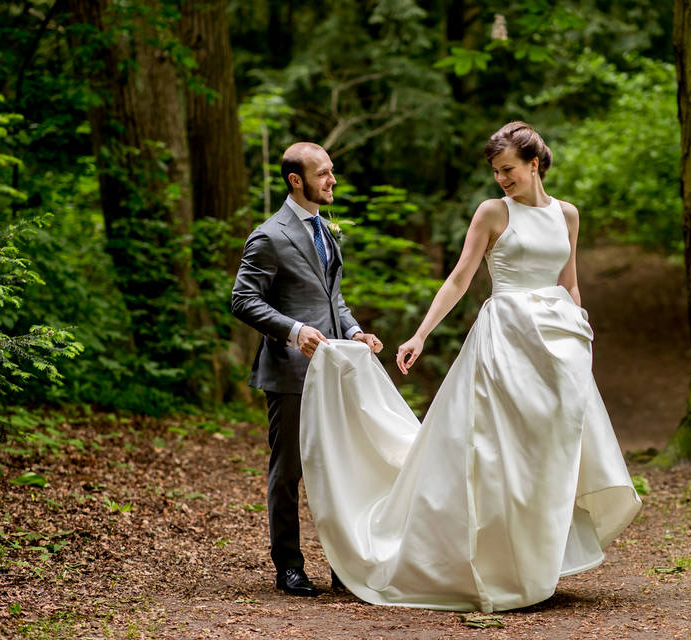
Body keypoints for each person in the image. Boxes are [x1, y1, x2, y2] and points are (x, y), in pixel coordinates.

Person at [298, 122, 642, 612]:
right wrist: (420, 333)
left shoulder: (567, 214)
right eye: (497, 172)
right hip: (506, 340)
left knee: (550, 452)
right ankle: (492, 563)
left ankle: (539, 558)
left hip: (559, 348)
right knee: (500, 453)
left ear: (534, 164)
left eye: (509, 170)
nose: (502, 179)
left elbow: (569, 282)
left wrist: (581, 336)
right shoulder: (492, 213)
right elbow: (459, 279)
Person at [231, 141, 383, 597]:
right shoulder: (269, 235)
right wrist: (294, 331)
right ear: (295, 180)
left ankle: (344, 564)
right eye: (323, 173)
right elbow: (243, 300)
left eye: (332, 171)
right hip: (290, 373)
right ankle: (289, 567)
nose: (332, 179)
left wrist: (355, 332)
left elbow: (334, 299)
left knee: (340, 467)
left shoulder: (326, 232)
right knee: (289, 470)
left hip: (335, 371)